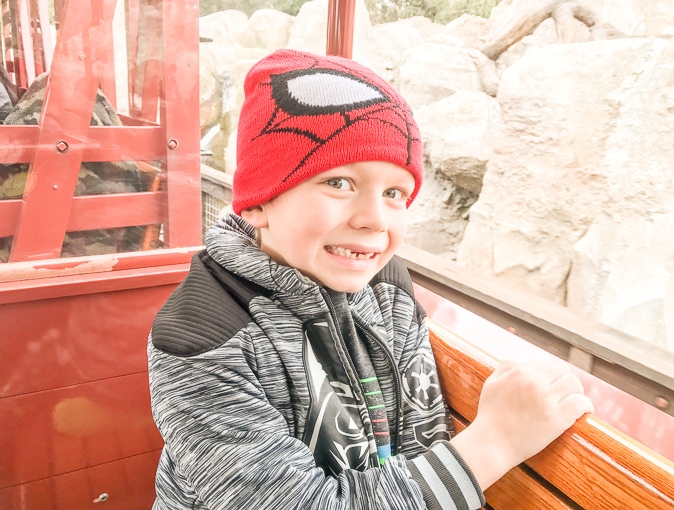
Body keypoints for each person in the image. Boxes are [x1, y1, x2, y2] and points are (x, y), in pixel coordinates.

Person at [147, 48, 593, 510]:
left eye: (395, 192)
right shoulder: (200, 337)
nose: (374, 219)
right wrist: (496, 441)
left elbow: (421, 430)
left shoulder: (386, 286)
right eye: (339, 182)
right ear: (259, 201)